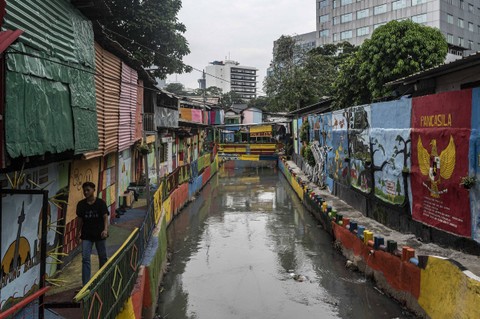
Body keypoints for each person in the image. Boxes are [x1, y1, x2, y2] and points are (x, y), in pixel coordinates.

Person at [76, 182, 109, 286]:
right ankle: (86, 284)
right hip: (86, 235)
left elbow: (105, 217)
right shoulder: (81, 204)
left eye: (88, 190)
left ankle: (103, 278)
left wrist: (105, 230)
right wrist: (77, 233)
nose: (85, 192)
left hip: (99, 234)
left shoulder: (101, 203)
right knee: (85, 258)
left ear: (94, 190)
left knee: (102, 257)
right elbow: (80, 220)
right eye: (84, 190)